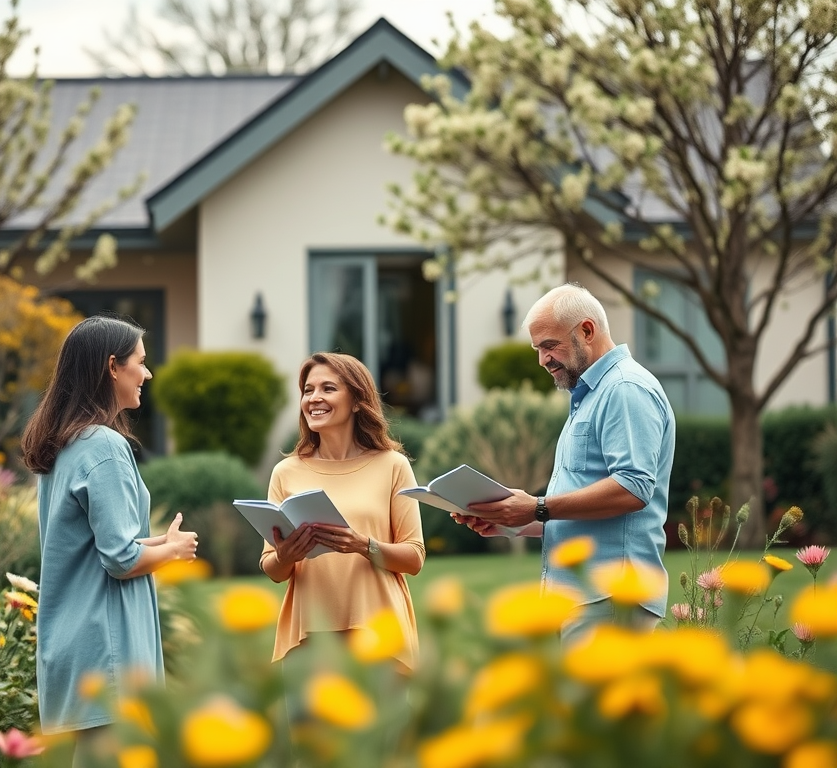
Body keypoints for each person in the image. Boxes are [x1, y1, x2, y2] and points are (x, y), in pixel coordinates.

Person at [457, 283, 675, 644]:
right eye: (538, 348)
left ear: (586, 331)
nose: (542, 359)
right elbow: (585, 511)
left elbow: (633, 488)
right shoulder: (591, 395)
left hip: (610, 597)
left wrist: (538, 507)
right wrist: (514, 520)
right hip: (586, 598)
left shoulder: (624, 388)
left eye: (549, 345)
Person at [21, 315, 198, 757]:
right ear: (113, 366)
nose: (148, 373)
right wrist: (172, 551)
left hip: (78, 637)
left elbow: (94, 545)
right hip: (108, 643)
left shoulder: (67, 443)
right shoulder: (104, 446)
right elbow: (120, 560)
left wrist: (159, 543)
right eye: (141, 361)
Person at [259, 351, 426, 677]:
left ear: (356, 401)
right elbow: (273, 570)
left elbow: (414, 557)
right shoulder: (285, 472)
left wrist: (363, 545)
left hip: (380, 633)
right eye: (308, 390)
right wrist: (286, 555)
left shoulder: (392, 465)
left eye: (328, 388)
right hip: (308, 639)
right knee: (310, 731)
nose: (314, 398)